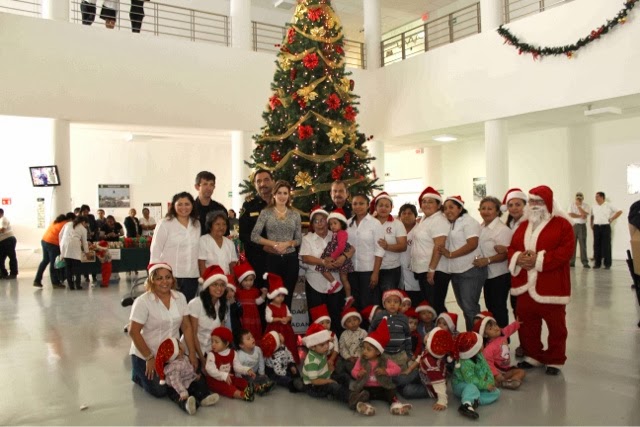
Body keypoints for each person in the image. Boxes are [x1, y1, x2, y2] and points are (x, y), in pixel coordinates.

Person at [508, 185, 574, 375]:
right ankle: (533, 355)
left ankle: (555, 359)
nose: (535, 205)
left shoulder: (562, 224)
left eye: (539, 201)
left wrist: (538, 259)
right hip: (524, 286)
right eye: (532, 201)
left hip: (551, 285)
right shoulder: (522, 225)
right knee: (527, 324)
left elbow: (565, 252)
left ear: (548, 203)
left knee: (556, 327)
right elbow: (512, 248)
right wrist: (518, 257)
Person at [128, 263, 200, 404]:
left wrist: (192, 352)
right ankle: (138, 373)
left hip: (172, 353)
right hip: (147, 354)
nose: (164, 282)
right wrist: (149, 358)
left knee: (192, 375)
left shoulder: (180, 298)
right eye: (159, 278)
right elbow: (133, 331)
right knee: (159, 390)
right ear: (152, 280)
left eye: (168, 277)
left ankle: (182, 392)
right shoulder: (142, 302)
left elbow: (186, 326)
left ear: (173, 279)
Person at [300, 206, 354, 335]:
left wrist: (343, 257)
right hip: (315, 282)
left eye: (322, 220)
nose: (319, 224)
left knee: (335, 316)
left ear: (328, 221)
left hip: (336, 282)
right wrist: (323, 262)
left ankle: (336, 347)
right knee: (317, 317)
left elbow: (351, 248)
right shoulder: (307, 238)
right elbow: (305, 257)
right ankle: (317, 348)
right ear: (312, 224)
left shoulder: (336, 234)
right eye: (316, 221)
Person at [250, 180, 302, 309]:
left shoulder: (295, 214)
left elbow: (299, 239)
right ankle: (273, 327)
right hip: (272, 260)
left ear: (289, 195)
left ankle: (286, 328)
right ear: (274, 194)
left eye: (285, 193)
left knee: (288, 297)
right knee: (273, 296)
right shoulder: (266, 213)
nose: (282, 196)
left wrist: (288, 244)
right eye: (279, 193)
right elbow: (254, 236)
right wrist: (274, 244)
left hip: (290, 260)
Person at [438, 196, 486, 331]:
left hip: (470, 269)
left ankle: (476, 340)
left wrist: (451, 254)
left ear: (460, 208)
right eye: (445, 208)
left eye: (451, 207)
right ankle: (470, 337)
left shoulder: (468, 222)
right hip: (456, 271)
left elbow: (472, 244)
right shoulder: (450, 223)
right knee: (464, 306)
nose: (448, 211)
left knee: (470, 307)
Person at [350, 318, 412, 416]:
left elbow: (398, 369)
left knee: (391, 391)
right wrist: (358, 373)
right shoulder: (361, 360)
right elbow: (353, 371)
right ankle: (366, 407)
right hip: (367, 387)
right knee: (363, 394)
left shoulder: (385, 361)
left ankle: (396, 406)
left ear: (378, 352)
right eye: (364, 348)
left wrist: (386, 371)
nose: (364, 351)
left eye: (368, 349)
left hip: (382, 386)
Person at [150, 192, 201, 302]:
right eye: (180, 204)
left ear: (192, 205)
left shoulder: (197, 224)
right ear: (173, 206)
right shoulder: (165, 223)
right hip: (171, 276)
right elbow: (156, 248)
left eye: (187, 204)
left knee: (186, 308)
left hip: (192, 275)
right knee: (171, 309)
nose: (184, 207)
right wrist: (155, 273)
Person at [473, 196, 513, 329]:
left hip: (499, 275)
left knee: (499, 309)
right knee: (491, 307)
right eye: (483, 208)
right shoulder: (481, 227)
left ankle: (503, 340)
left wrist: (488, 260)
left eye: (490, 209)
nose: (486, 211)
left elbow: (506, 254)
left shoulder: (502, 230)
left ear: (497, 211)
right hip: (486, 276)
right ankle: (494, 339)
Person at [410, 187, 450, 314]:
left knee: (436, 306)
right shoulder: (425, 219)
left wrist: (431, 269)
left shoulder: (439, 220)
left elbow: (439, 246)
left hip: (435, 270)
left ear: (438, 205)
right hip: (424, 269)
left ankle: (444, 332)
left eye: (430, 202)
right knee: (430, 306)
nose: (426, 204)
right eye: (424, 201)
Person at [154, 338, 220, 415]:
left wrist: (194, 377)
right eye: (180, 343)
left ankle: (204, 397)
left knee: (200, 381)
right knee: (179, 396)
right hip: (176, 387)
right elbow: (176, 382)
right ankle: (187, 405)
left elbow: (189, 371)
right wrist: (183, 392)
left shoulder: (184, 358)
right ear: (178, 352)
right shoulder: (173, 368)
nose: (182, 343)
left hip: (187, 381)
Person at [501, 187, 528, 357]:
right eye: (511, 205)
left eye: (518, 204)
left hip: (525, 273)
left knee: (524, 310)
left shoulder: (530, 225)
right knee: (515, 308)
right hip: (510, 274)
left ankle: (527, 344)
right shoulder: (508, 224)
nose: (514, 208)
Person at [347, 194, 385, 310]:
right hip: (351, 270)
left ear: (368, 205)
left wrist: (375, 273)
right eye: (355, 204)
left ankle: (371, 328)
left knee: (368, 305)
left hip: (368, 271)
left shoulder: (375, 223)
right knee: (355, 303)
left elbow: (380, 249)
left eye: (361, 203)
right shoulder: (348, 223)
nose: (358, 206)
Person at [188, 265, 230, 369]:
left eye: (222, 285)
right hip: (193, 352)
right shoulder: (196, 304)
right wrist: (202, 360)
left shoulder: (223, 305)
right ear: (207, 286)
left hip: (211, 351)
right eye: (214, 285)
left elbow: (221, 334)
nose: (219, 288)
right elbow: (193, 334)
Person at [451, 332, 500, 420]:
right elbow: (470, 380)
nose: (482, 345)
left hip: (477, 382)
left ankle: (474, 399)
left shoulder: (479, 355)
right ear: (474, 349)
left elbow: (486, 369)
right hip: (461, 384)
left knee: (496, 392)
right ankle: (466, 405)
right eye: (480, 344)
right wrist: (485, 385)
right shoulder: (465, 362)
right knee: (471, 387)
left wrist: (489, 382)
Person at [239, 169, 274, 292]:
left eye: (266, 180)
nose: (262, 184)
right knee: (258, 301)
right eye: (258, 181)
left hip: (278, 261)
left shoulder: (281, 203)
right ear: (255, 185)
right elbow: (243, 234)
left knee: (279, 301)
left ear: (273, 182)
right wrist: (262, 246)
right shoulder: (249, 206)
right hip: (257, 261)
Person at [301, 323, 352, 406]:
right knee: (332, 385)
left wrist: (329, 368)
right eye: (322, 345)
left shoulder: (321, 350)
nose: (326, 347)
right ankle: (350, 397)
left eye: (327, 343)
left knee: (345, 377)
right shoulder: (312, 361)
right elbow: (314, 381)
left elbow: (331, 349)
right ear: (312, 347)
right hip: (314, 386)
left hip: (324, 376)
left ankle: (341, 393)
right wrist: (328, 381)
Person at [315, 208, 354, 306]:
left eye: (335, 223)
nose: (332, 226)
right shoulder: (335, 233)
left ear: (341, 224)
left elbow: (341, 247)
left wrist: (333, 256)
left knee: (342, 277)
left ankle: (347, 296)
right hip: (337, 255)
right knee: (341, 277)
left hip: (339, 256)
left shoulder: (342, 233)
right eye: (331, 224)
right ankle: (337, 286)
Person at [474, 315, 526, 389]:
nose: (495, 328)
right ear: (485, 335)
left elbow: (509, 329)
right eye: (490, 328)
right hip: (496, 370)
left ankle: (513, 381)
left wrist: (516, 324)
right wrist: (496, 375)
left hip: (506, 369)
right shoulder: (488, 349)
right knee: (493, 381)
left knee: (521, 372)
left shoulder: (503, 334)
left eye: (495, 325)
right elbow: (489, 365)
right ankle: (499, 382)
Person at [205, 326, 255, 401]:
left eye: (216, 342)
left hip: (228, 377)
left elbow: (237, 367)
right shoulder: (211, 354)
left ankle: (255, 388)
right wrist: (223, 375)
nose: (213, 344)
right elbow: (209, 369)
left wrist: (246, 370)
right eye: (212, 341)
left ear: (226, 343)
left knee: (240, 381)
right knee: (227, 387)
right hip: (215, 380)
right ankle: (242, 395)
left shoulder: (233, 353)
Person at [371, 192, 407, 293]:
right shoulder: (369, 223)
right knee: (374, 299)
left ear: (391, 208)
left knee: (389, 300)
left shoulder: (397, 224)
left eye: (387, 206)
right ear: (376, 207)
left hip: (390, 269)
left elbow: (403, 246)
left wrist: (387, 246)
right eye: (381, 205)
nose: (383, 208)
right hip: (370, 267)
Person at [263, 272, 299, 364]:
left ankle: (290, 363)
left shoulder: (284, 306)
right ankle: (275, 364)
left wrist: (287, 318)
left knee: (288, 345)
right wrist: (279, 319)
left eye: (282, 296)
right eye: (278, 296)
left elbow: (290, 315)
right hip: (274, 330)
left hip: (286, 331)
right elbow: (268, 319)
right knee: (276, 346)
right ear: (272, 296)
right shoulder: (269, 307)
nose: (281, 298)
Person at [417, 326, 455, 412]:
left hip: (431, 387)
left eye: (429, 335)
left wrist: (442, 401)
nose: (426, 335)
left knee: (407, 391)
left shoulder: (431, 365)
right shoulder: (429, 349)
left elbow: (439, 382)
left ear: (430, 341)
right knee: (405, 378)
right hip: (423, 375)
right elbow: (420, 357)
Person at [34, 213, 71, 288]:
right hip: (53, 244)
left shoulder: (57, 221)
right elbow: (66, 237)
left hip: (45, 241)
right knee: (54, 263)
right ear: (70, 219)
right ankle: (55, 282)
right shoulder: (66, 224)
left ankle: (37, 280)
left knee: (45, 260)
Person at [235, 330, 275, 396]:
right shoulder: (240, 355)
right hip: (245, 375)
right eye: (248, 339)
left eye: (252, 337)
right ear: (241, 345)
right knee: (249, 381)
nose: (252, 339)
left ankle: (264, 385)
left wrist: (261, 373)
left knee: (265, 377)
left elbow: (261, 361)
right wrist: (239, 379)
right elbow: (238, 368)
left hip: (255, 373)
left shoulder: (258, 349)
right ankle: (258, 388)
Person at [233, 262, 267, 341]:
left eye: (251, 280)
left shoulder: (255, 291)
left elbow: (257, 302)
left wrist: (264, 295)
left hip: (253, 317)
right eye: (246, 280)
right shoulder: (238, 292)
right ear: (240, 281)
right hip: (243, 317)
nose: (248, 283)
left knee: (254, 333)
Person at [198, 211, 238, 275]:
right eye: (218, 224)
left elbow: (232, 267)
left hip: (227, 282)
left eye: (224, 224)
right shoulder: (203, 240)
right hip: (209, 281)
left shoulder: (230, 243)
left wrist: (232, 282)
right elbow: (201, 266)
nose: (221, 227)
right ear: (210, 226)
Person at [590, 191, 623, 269]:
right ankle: (597, 264)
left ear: (602, 197)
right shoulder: (593, 206)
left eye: (597, 196)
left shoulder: (608, 205)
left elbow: (619, 211)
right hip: (596, 227)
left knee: (606, 245)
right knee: (596, 245)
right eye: (595, 196)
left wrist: (611, 219)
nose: (596, 198)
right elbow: (592, 216)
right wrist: (591, 224)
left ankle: (607, 264)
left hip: (605, 226)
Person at [398, 204, 422, 307]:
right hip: (400, 276)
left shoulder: (420, 231)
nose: (406, 216)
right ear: (400, 216)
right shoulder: (397, 230)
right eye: (404, 213)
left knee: (417, 304)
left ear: (415, 215)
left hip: (417, 274)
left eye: (410, 213)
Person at [59, 215, 90, 290]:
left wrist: (61, 245)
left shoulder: (67, 224)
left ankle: (71, 286)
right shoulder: (83, 229)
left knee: (68, 267)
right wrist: (87, 252)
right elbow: (84, 242)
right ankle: (78, 285)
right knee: (77, 268)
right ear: (83, 222)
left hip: (65, 245)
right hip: (75, 245)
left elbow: (60, 234)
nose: (86, 226)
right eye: (86, 224)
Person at [194, 171, 228, 236]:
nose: (208, 188)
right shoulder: (190, 209)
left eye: (211, 185)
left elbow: (225, 234)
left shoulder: (220, 209)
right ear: (197, 187)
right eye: (205, 184)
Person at [338, 307, 367, 376]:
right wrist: (348, 357)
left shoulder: (363, 333)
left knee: (366, 366)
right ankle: (353, 377)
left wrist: (360, 356)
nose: (353, 323)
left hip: (362, 358)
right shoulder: (344, 335)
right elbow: (342, 348)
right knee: (346, 366)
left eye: (355, 320)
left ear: (359, 320)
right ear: (345, 325)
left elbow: (367, 346)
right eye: (349, 321)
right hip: (349, 359)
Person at [567, 192, 591, 268]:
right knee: (572, 244)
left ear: (582, 198)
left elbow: (585, 215)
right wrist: (580, 215)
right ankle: (571, 262)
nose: (579, 199)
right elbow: (571, 214)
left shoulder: (586, 205)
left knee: (583, 244)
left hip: (582, 226)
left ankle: (585, 262)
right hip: (573, 226)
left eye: (580, 198)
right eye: (577, 198)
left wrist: (579, 207)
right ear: (575, 198)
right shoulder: (571, 205)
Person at [0, 209, 18, 280]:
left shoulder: (3, 219)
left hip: (8, 240)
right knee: (1, 258)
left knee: (12, 256)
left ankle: (13, 273)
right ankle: (3, 273)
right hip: (3, 241)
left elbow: (2, 230)